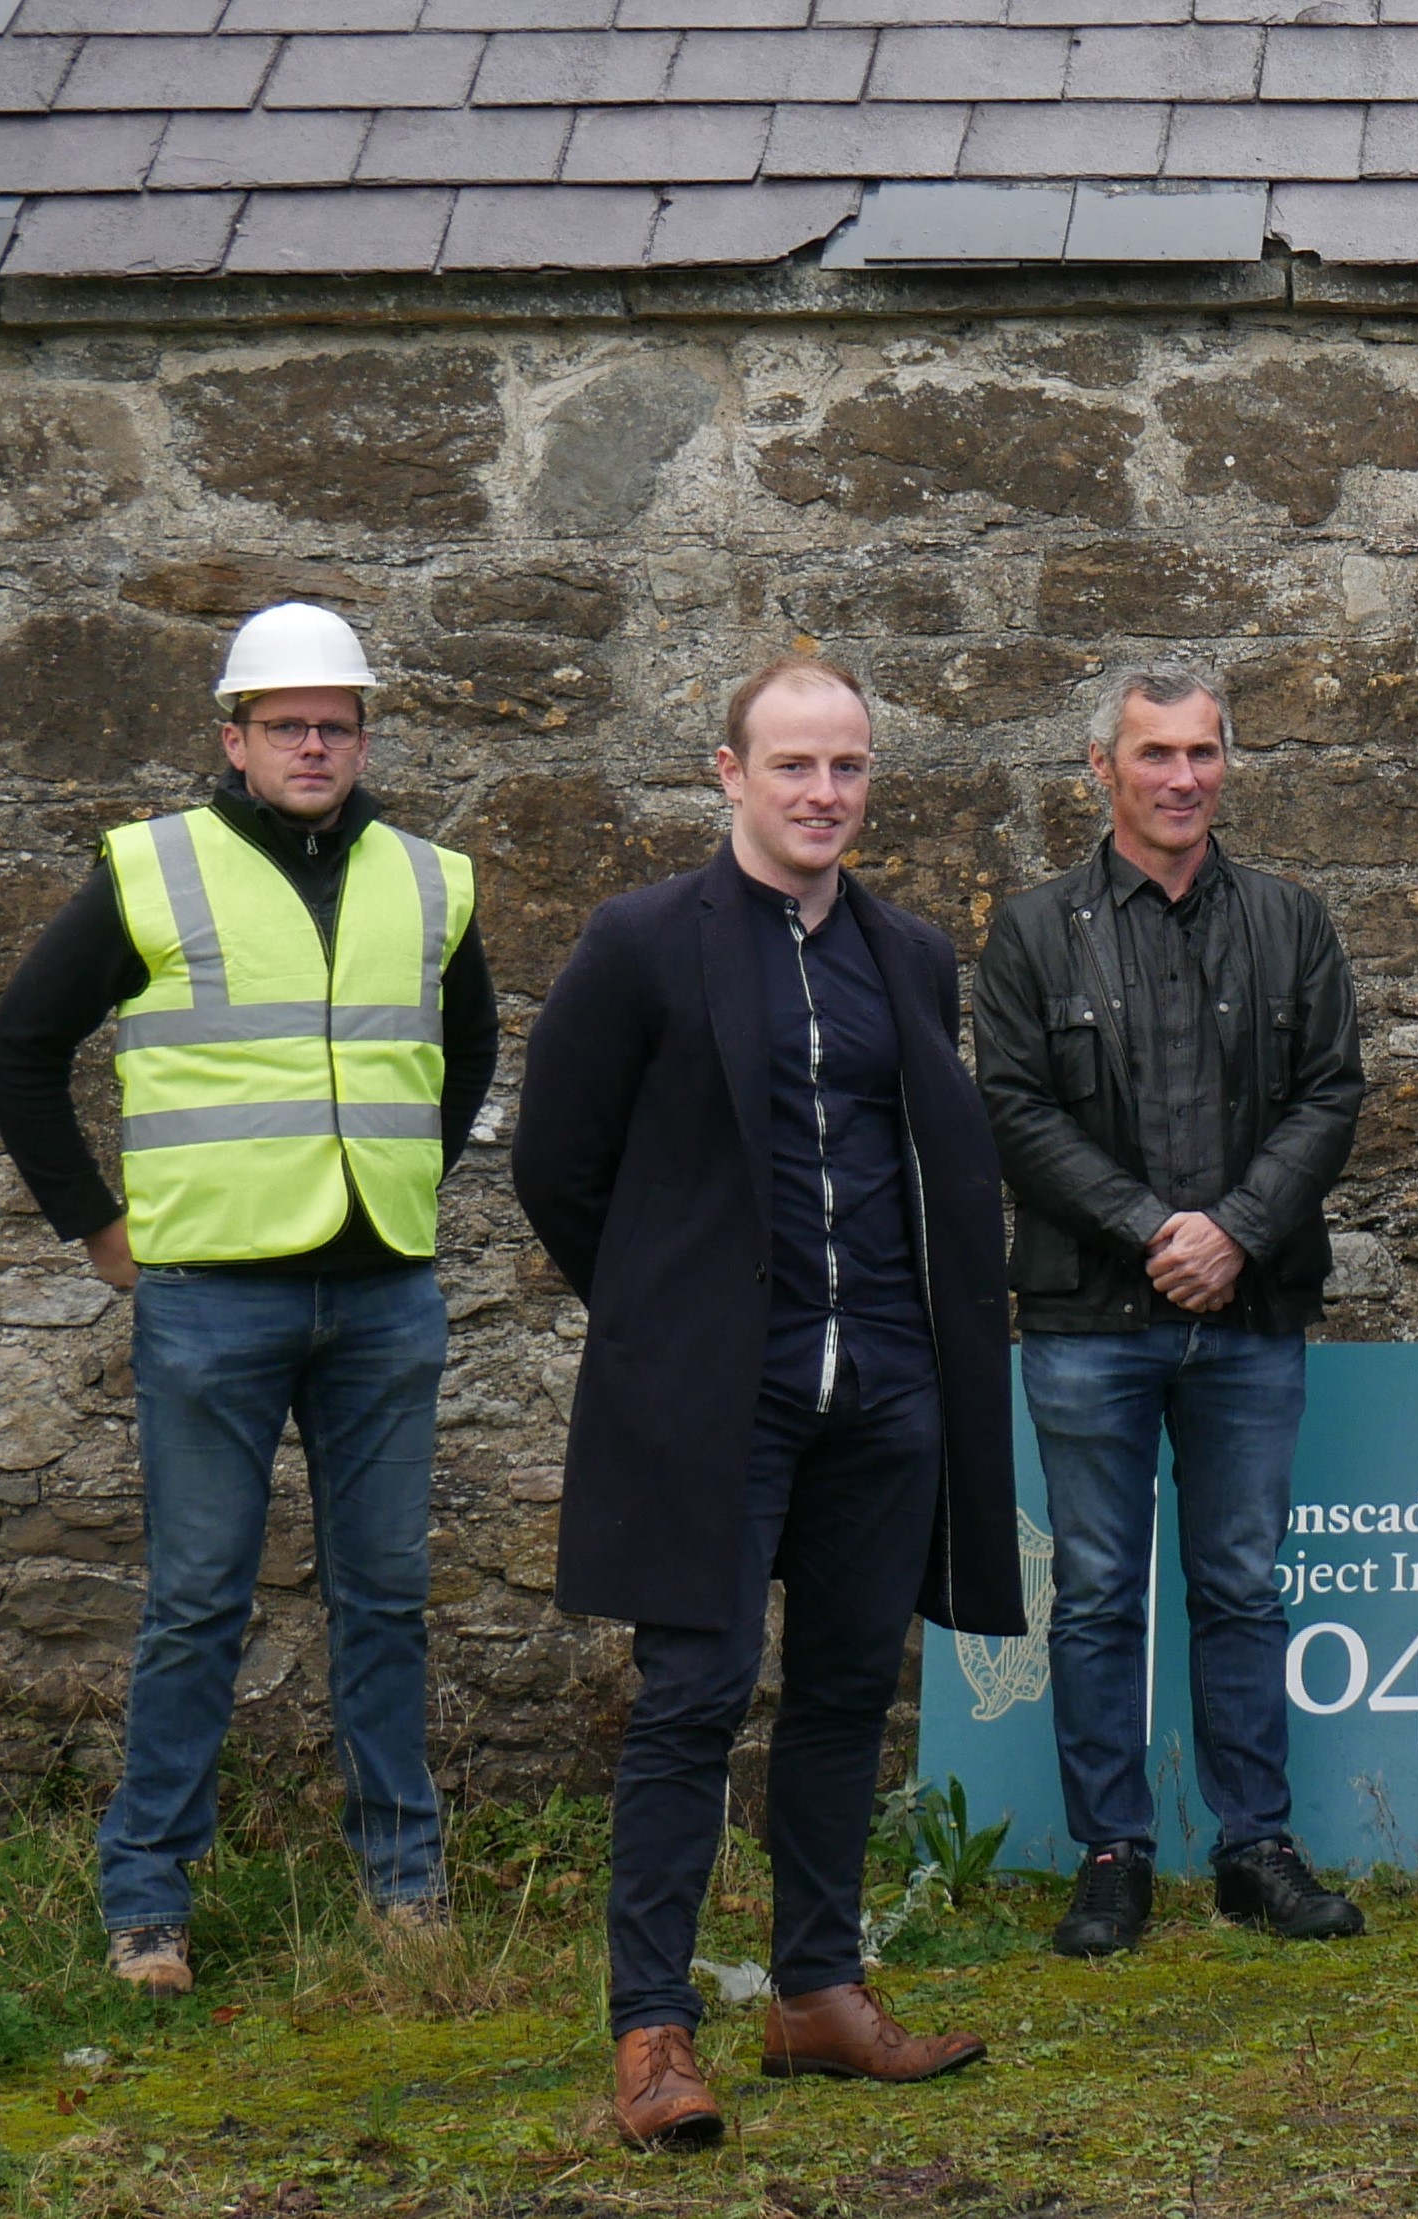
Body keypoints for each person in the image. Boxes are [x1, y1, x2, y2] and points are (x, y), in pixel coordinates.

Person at [513, 658, 1021, 2151]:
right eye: (793, 764)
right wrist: (669, 1319)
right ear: (729, 773)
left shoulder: (908, 951)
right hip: (715, 1402)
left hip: (884, 1392)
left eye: (847, 765)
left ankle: (816, 1992)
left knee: (851, 1690)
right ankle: (653, 2030)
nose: (823, 792)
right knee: (692, 1697)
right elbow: (557, 1163)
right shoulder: (641, 941)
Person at [0, 602, 490, 2002]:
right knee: (197, 1602)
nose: (314, 744)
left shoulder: (431, 880)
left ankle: (405, 1883)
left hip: (382, 1294)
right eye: (286, 724)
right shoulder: (153, 866)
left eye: (336, 724)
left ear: (364, 736)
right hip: (210, 1301)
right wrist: (99, 1231)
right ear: (235, 737)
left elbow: (466, 1053)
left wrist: (399, 1182)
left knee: (386, 1599)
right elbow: (19, 1049)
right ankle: (148, 1901)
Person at [976, 664, 1371, 1957]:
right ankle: (1112, 1854)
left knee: (1242, 1586)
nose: (1183, 776)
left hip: (1249, 1315)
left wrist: (1236, 1229)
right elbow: (1014, 1108)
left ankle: (1255, 1846)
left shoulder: (1289, 920)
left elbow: (1330, 1092)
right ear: (1102, 767)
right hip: (1089, 1316)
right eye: (1155, 752)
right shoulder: (1034, 929)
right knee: (1096, 1592)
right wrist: (1154, 1229)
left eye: (1203, 751)